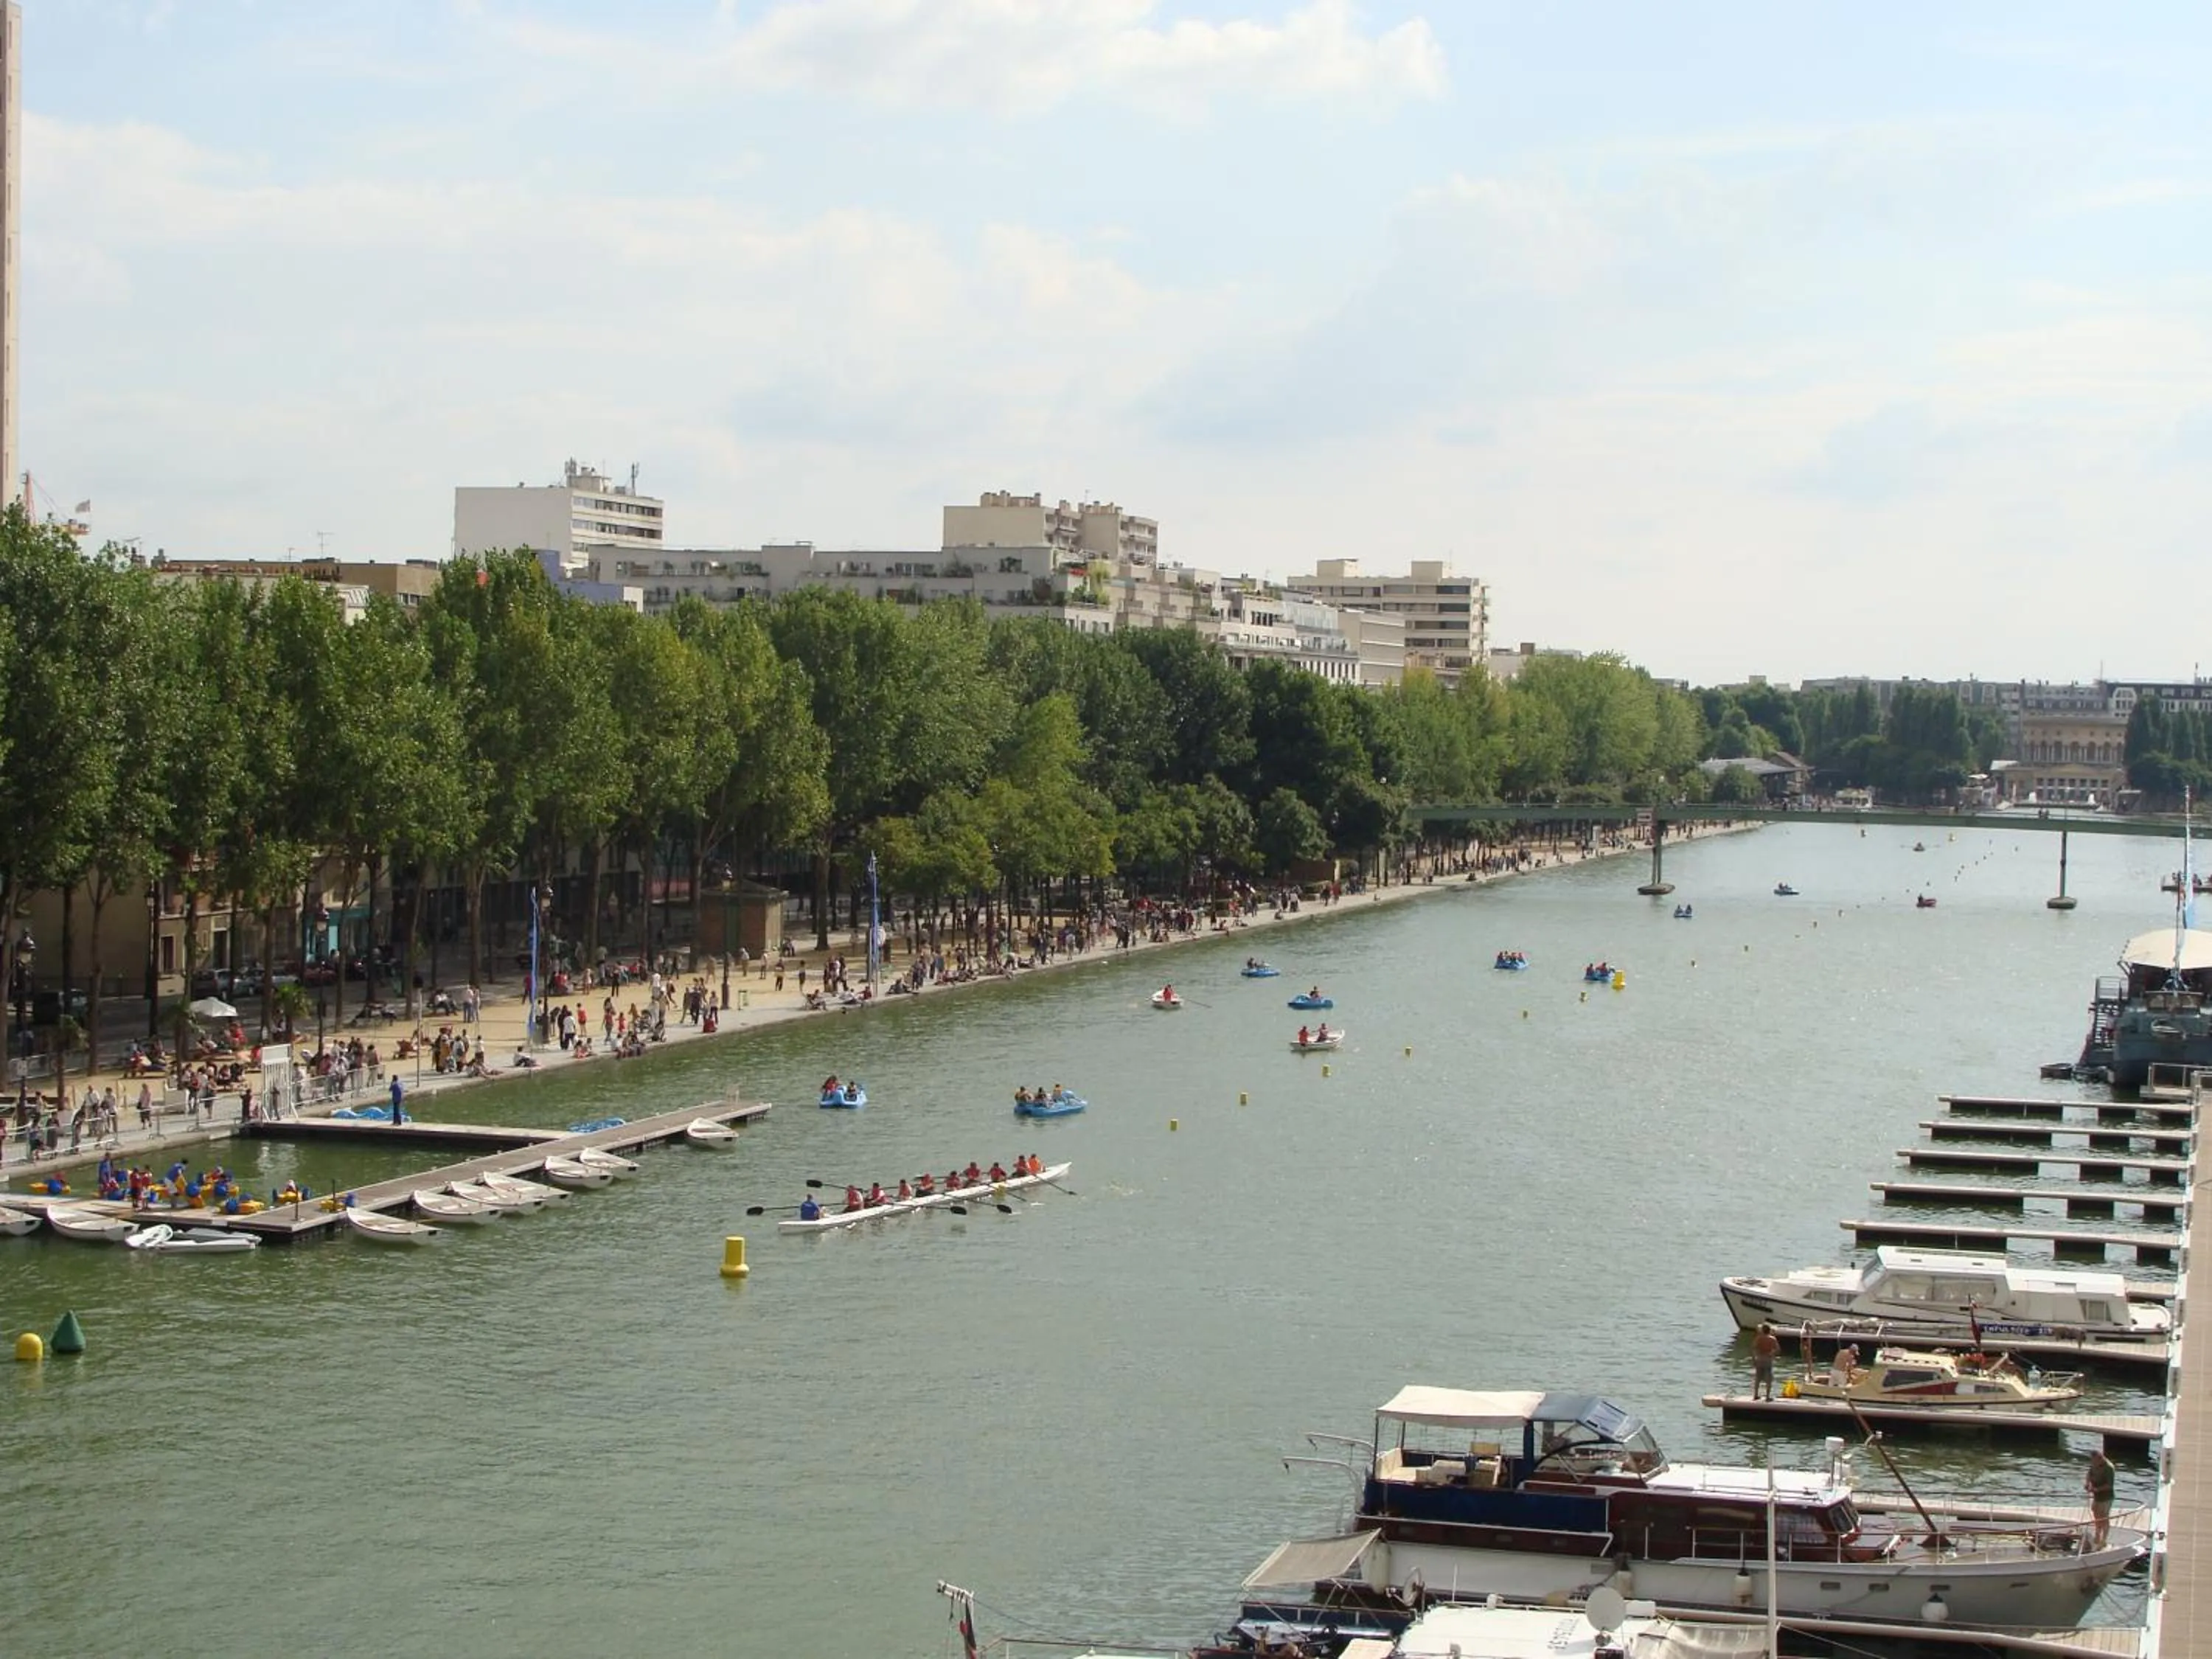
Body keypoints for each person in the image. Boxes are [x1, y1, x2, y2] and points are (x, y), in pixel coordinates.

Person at [2085, 1449, 2116, 1548]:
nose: (2092, 1463)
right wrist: (2087, 1484)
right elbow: (2089, 1474)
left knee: (2104, 1517)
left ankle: (2104, 1539)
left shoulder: (2109, 1468)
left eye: (2094, 1461)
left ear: (2100, 1459)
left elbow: (2109, 1485)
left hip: (2106, 1497)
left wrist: (2097, 1489)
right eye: (2092, 1461)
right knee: (2095, 1512)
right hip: (2096, 1496)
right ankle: (2097, 1534)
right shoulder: (2094, 1465)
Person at [1751, 1324, 1781, 1400]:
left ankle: (1755, 1395)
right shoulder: (1772, 1339)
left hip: (1760, 1358)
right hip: (1768, 1359)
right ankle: (1767, 1396)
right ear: (1769, 1330)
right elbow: (1778, 1349)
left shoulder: (1758, 1338)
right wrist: (1772, 1353)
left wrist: (1754, 1359)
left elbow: (1754, 1348)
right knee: (1768, 1378)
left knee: (1758, 1378)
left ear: (1763, 1330)